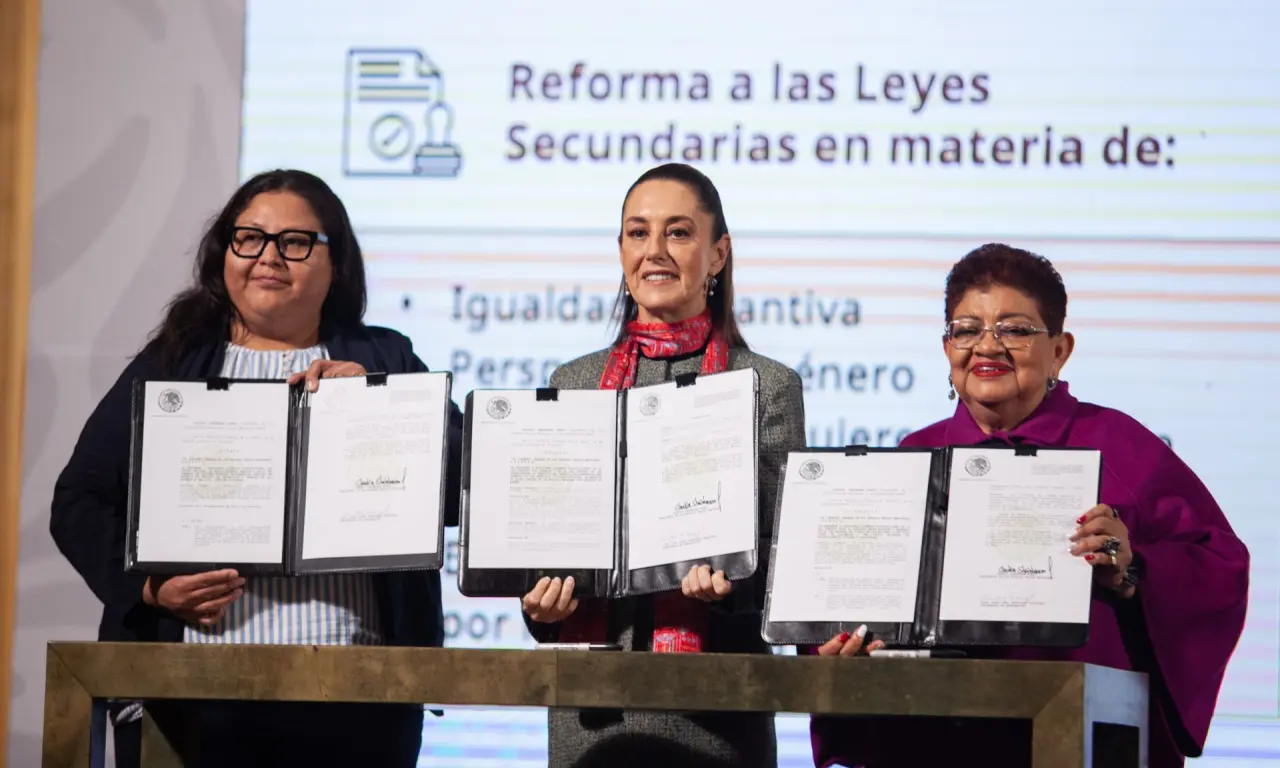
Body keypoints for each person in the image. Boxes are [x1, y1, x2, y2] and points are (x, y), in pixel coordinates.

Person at [49, 168, 463, 768]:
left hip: (356, 693)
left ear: (336, 263)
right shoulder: (173, 362)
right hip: (191, 694)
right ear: (226, 252)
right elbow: (80, 500)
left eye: (296, 242)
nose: (269, 257)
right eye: (249, 238)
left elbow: (459, 492)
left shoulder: (382, 357)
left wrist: (385, 402)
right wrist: (151, 589)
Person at [808, 243, 1249, 767]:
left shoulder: (1119, 447)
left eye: (1014, 330)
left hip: (1077, 741)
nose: (987, 347)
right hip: (930, 742)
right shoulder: (911, 456)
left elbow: (1221, 569)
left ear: (1060, 349)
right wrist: (841, 645)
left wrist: (1132, 571)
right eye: (966, 330)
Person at [520, 163, 806, 768]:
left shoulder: (768, 385)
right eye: (637, 232)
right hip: (592, 718)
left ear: (718, 253)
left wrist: (731, 588)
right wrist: (541, 607)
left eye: (678, 232)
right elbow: (550, 548)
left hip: (718, 714)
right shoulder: (571, 383)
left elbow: (786, 560)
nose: (655, 251)